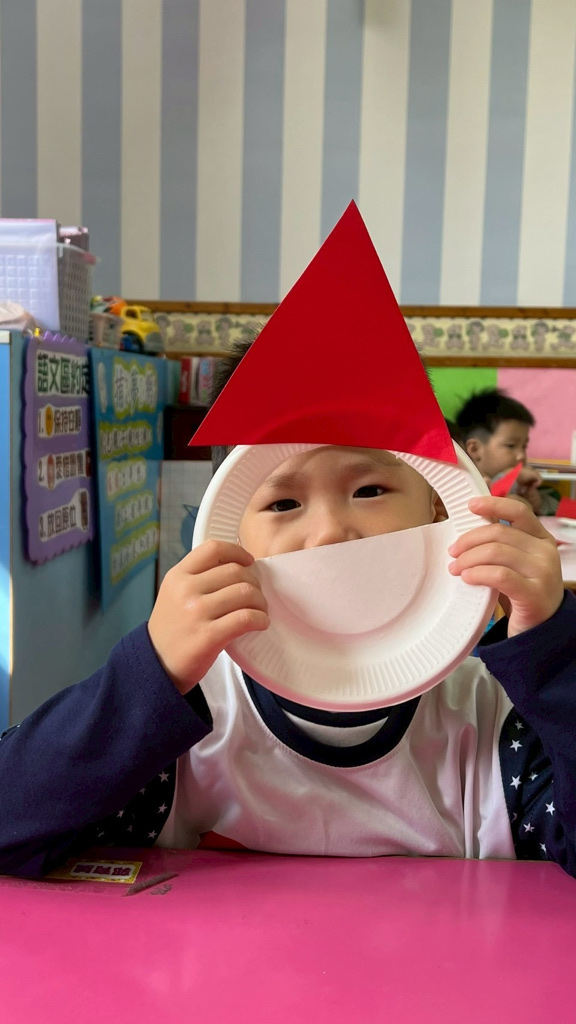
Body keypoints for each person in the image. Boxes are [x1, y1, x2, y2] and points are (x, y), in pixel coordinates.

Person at [1, 203, 575, 881]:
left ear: (438, 506)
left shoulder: (492, 719)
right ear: (228, 529)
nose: (329, 532)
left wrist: (553, 654)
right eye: (281, 503)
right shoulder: (186, 720)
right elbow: (12, 823)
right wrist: (152, 672)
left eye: (370, 490)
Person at [454, 388, 560, 514]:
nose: (521, 455)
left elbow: (555, 510)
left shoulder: (520, 485)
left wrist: (537, 503)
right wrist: (509, 477)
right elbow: (488, 498)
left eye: (524, 446)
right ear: (475, 449)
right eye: (511, 446)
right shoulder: (462, 486)